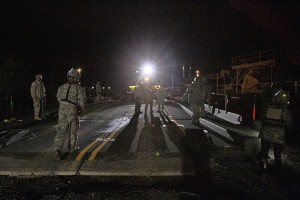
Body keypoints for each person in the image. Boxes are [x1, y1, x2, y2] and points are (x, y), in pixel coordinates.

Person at [259, 88, 293, 173]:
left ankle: (263, 166)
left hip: (265, 133)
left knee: (264, 152)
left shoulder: (268, 107)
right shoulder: (285, 111)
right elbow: (289, 123)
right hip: (278, 136)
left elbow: (262, 117)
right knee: (277, 153)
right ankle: (277, 170)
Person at [54, 68, 85, 157]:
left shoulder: (61, 87)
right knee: (73, 128)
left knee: (61, 129)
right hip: (72, 109)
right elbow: (82, 100)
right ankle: (72, 147)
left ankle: (57, 148)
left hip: (62, 109)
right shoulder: (78, 88)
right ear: (76, 77)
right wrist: (81, 109)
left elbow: (58, 98)